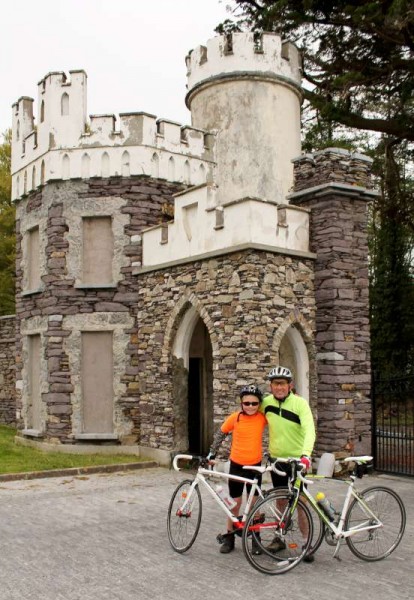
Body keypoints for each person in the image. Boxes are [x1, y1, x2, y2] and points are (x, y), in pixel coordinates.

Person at [261, 365, 316, 561]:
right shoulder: (266, 403)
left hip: (297, 462)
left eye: (282, 384)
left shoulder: (300, 404)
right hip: (277, 461)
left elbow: (310, 430)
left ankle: (306, 542)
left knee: (301, 502)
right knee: (280, 500)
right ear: (271, 386)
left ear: (290, 385)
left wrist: (306, 456)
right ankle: (279, 538)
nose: (279, 387)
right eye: (275, 384)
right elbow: (250, 416)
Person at [207, 384, 266, 554]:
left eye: (254, 403)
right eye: (246, 403)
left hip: (254, 466)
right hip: (236, 465)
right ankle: (229, 536)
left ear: (259, 404)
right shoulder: (235, 418)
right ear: (241, 403)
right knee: (234, 503)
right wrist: (212, 453)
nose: (250, 407)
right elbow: (221, 434)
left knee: (254, 503)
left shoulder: (262, 418)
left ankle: (256, 538)